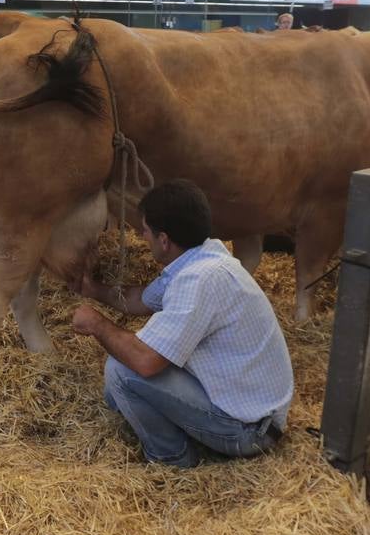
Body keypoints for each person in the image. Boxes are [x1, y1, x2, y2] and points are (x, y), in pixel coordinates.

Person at [71, 180, 293, 468]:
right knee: (115, 395)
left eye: (145, 230)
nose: (141, 236)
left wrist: (97, 324)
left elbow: (146, 361)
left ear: (164, 240)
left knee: (122, 370)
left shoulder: (199, 281)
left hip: (249, 432)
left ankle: (171, 459)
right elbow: (140, 299)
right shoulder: (202, 257)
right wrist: (93, 289)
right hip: (249, 410)